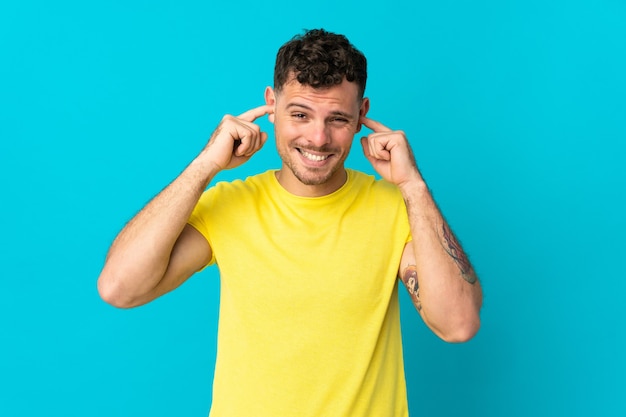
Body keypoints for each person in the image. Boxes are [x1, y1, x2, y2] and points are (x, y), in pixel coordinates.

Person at [98, 29, 482, 417]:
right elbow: (120, 288)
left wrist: (413, 185)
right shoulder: (231, 204)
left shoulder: (397, 208)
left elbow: (458, 324)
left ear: (362, 115)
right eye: (300, 114)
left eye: (337, 119)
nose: (318, 138)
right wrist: (205, 166)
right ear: (271, 103)